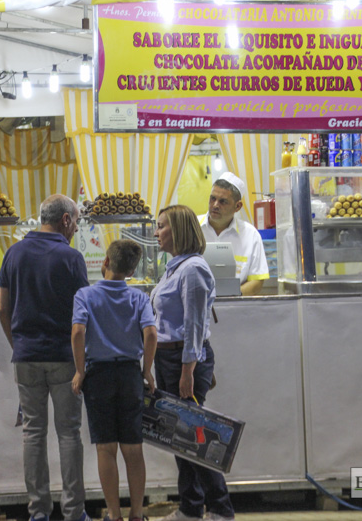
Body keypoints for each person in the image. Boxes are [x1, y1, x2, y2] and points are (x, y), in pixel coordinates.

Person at [0, 194, 90, 521]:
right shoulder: (72, 258)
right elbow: (83, 314)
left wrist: (18, 345)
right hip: (65, 358)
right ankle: (74, 512)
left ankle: (38, 513)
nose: (76, 228)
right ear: (65, 220)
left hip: (26, 358)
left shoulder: (13, 254)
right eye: (76, 221)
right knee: (69, 433)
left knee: (33, 433)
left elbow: (2, 310)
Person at [151, 205, 236, 521]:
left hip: (185, 360)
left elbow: (195, 326)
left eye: (161, 227)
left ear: (179, 230)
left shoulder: (193, 270)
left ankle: (220, 508)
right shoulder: (174, 267)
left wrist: (187, 370)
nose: (157, 233)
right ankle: (191, 506)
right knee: (179, 436)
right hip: (168, 358)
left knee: (194, 437)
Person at [71, 239, 158, 521]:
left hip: (98, 376)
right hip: (130, 375)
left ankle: (114, 514)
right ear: (131, 272)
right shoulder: (139, 298)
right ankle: (136, 514)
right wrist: (146, 370)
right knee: (133, 449)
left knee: (106, 448)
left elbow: (77, 332)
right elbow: (151, 334)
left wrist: (80, 371)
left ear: (105, 262)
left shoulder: (85, 295)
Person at [199, 171, 269, 296]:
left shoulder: (250, 235)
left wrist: (231, 295)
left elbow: (257, 281)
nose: (215, 205)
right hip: (196, 307)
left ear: (238, 206)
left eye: (223, 201)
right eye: (212, 198)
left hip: (235, 307)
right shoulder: (192, 228)